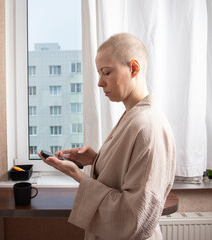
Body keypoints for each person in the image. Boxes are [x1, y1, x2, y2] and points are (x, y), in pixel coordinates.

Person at [38, 33, 176, 240]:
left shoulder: (147, 125)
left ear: (134, 68)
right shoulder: (133, 116)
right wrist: (95, 159)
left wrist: (77, 175)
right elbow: (125, 173)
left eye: (107, 73)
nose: (100, 83)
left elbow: (134, 217)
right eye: (99, 74)